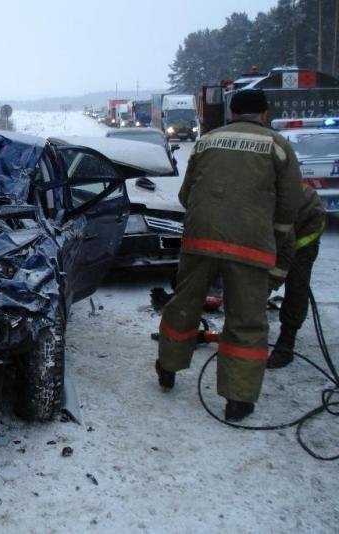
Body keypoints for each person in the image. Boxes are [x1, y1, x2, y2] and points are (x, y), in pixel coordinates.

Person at [155, 88, 304, 422]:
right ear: (264, 114)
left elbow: (185, 193)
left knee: (184, 304)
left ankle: (167, 367)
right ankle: (238, 400)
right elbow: (290, 202)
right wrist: (276, 236)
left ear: (232, 113)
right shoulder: (277, 146)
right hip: (250, 245)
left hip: (200, 239)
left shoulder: (207, 141)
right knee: (245, 319)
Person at [267, 183, 326, 368]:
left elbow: (285, 252)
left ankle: (286, 343)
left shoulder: (267, 206)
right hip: (282, 223)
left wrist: (269, 284)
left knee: (296, 282)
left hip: (307, 223)